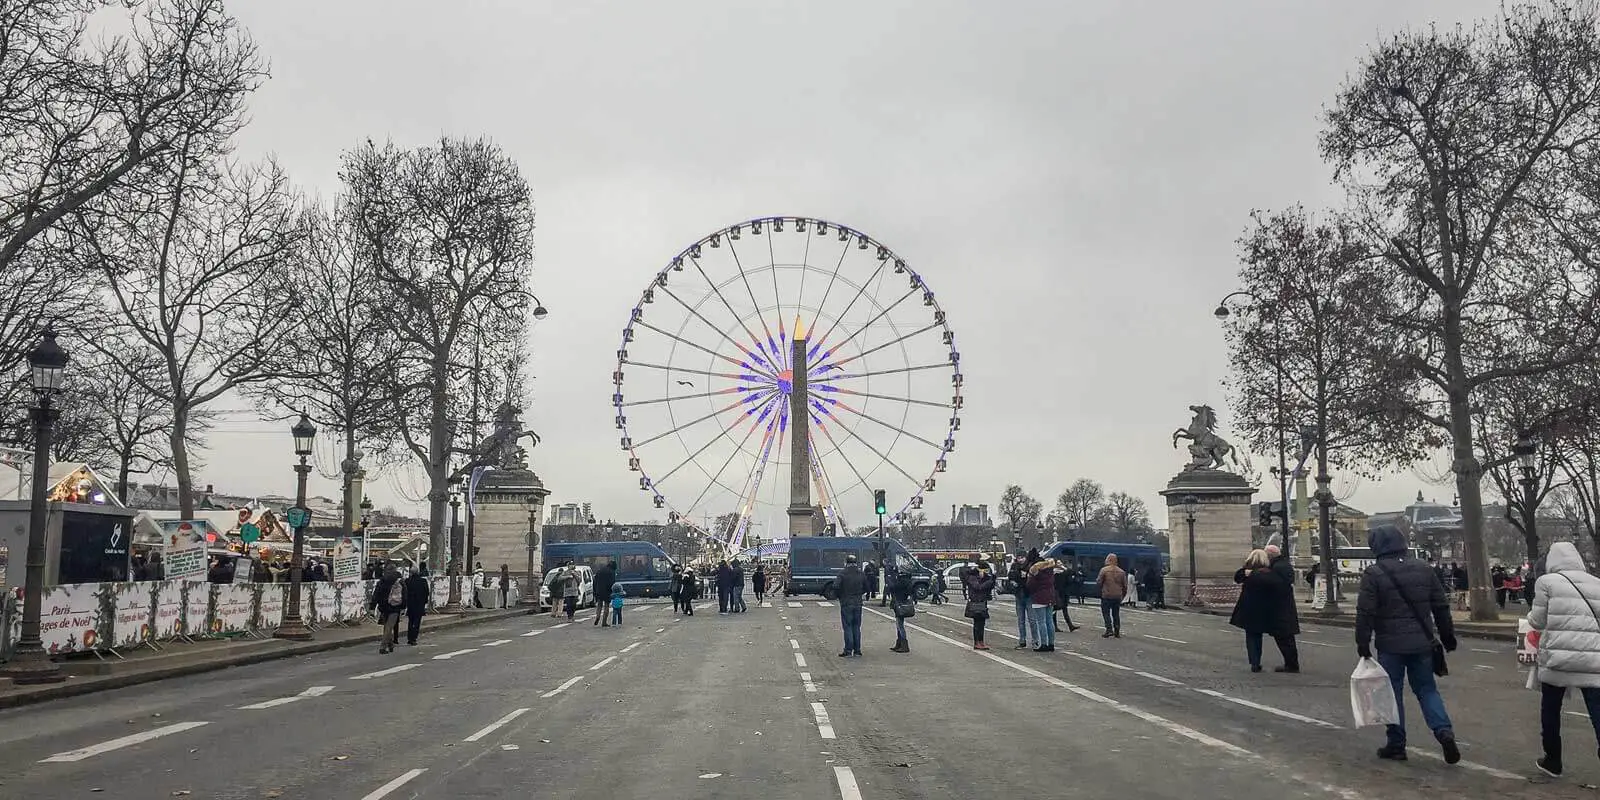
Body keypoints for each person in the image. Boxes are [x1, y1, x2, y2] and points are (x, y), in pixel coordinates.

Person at [1355, 524, 1459, 765]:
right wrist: (1447, 636)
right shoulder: (1423, 569)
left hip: (1390, 644)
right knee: (1427, 690)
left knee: (1392, 694)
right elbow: (1441, 606)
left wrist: (1362, 642)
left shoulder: (1374, 573)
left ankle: (1397, 744)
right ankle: (1444, 731)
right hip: (1422, 642)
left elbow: (1365, 613)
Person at [1528, 541, 1600, 778]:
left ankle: (1553, 760)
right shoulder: (1596, 583)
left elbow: (1537, 622)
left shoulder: (1546, 582)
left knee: (1550, 708)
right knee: (1597, 711)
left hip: (1557, 657)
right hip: (1593, 657)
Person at [1229, 549, 1297, 673]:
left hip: (1250, 608)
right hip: (1267, 609)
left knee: (1253, 636)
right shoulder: (1269, 572)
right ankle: (1290, 663)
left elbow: (1237, 577)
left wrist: (1248, 573)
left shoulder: (1247, 572)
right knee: (1277, 635)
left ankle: (1255, 662)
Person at [835, 554, 868, 657]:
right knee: (856, 626)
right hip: (858, 602)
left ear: (847, 563)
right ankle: (857, 650)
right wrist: (860, 593)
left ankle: (848, 650)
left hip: (846, 602)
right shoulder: (861, 573)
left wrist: (840, 596)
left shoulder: (842, 573)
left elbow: (836, 586)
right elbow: (867, 587)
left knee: (847, 626)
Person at [370, 565, 407, 654]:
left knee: (387, 625)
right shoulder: (400, 581)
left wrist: (373, 606)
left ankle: (390, 644)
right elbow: (405, 594)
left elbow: (376, 594)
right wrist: (403, 606)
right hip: (395, 606)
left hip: (384, 606)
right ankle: (383, 646)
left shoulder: (382, 581)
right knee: (389, 626)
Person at [1026, 556, 1060, 652]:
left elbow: (1030, 585)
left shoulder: (1036, 574)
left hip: (1039, 598)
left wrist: (1030, 577)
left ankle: (1044, 644)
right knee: (1050, 621)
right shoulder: (1050, 572)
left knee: (1041, 622)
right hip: (1050, 597)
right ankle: (1051, 644)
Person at [963, 560, 996, 650]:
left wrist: (992, 580)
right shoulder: (972, 577)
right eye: (985, 571)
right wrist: (987, 581)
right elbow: (978, 587)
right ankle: (977, 642)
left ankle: (981, 641)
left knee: (982, 623)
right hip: (975, 602)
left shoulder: (984, 578)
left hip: (982, 601)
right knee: (977, 623)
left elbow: (988, 588)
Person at [1097, 554, 1128, 638]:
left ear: (1109, 560)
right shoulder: (1121, 572)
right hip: (1117, 596)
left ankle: (1109, 629)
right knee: (1116, 613)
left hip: (1107, 595)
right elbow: (1125, 585)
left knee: (1106, 613)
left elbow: (1099, 582)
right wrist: (1123, 595)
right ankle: (1117, 630)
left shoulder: (1104, 570)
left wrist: (1101, 590)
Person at [888, 565, 916, 653]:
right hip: (903, 603)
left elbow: (893, 588)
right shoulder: (909, 580)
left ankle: (904, 645)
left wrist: (890, 580)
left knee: (899, 625)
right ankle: (899, 643)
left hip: (899, 603)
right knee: (899, 624)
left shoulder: (901, 580)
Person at [1008, 554, 1033, 649]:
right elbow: (1010, 576)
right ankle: (1022, 640)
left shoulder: (1030, 565)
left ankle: (1035, 640)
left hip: (1028, 595)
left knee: (1032, 620)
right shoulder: (1014, 566)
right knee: (1020, 620)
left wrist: (1024, 576)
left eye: (1022, 557)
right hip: (1019, 595)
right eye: (1019, 557)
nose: (1020, 559)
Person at [403, 565, 430, 646]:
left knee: (410, 621)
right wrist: (425, 601)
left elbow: (405, 592)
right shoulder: (423, 581)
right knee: (417, 621)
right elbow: (426, 592)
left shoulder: (407, 581)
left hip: (411, 603)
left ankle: (409, 637)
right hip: (419, 603)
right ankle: (413, 637)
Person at [1053, 561, 1080, 633]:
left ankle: (1070, 626)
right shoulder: (1056, 573)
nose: (1060, 565)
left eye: (1061, 563)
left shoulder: (1063, 572)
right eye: (1059, 564)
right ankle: (1056, 626)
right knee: (1055, 610)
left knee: (1063, 609)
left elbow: (1073, 573)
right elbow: (1070, 579)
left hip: (1061, 593)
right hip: (1058, 594)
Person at [593, 560, 617, 627]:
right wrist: (612, 591)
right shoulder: (612, 572)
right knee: (606, 606)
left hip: (599, 590)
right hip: (607, 591)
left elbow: (595, 581)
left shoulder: (600, 570)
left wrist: (595, 590)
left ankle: (597, 616)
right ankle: (604, 622)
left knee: (599, 605)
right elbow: (612, 583)